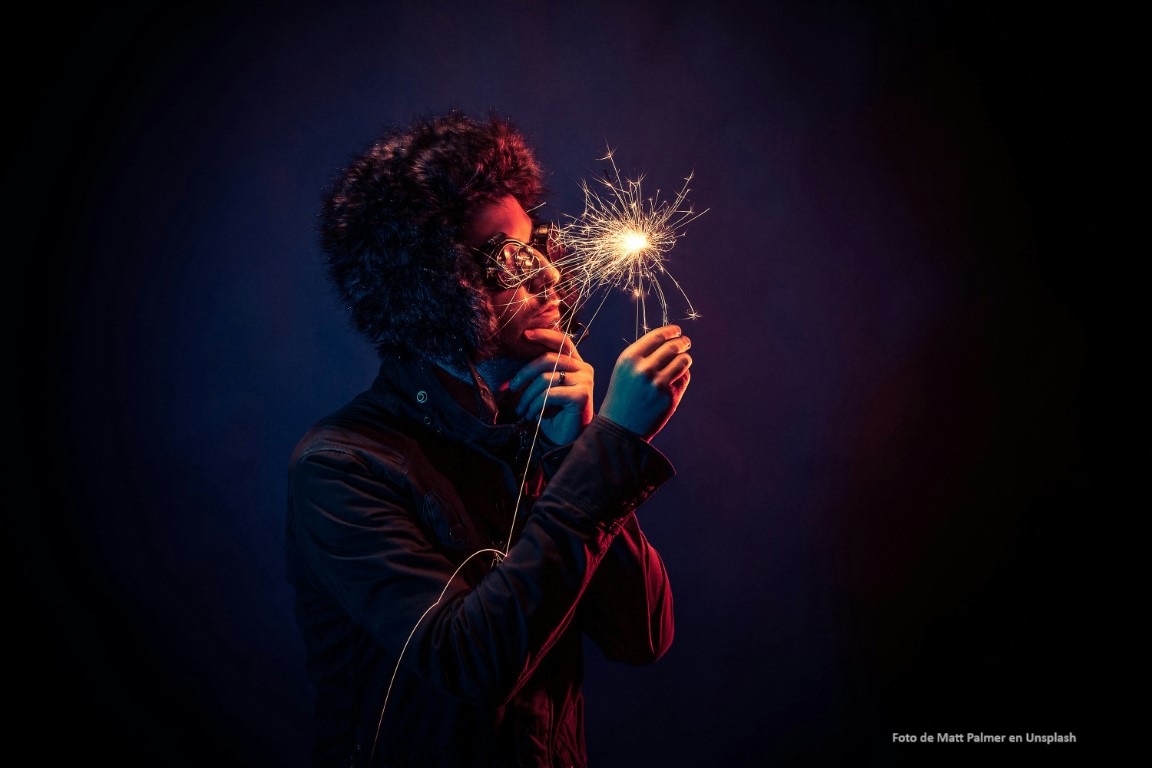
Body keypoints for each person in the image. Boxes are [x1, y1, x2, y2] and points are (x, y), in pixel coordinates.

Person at [285, 110, 694, 768]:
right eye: (506, 259)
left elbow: (641, 636)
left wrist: (575, 452)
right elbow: (471, 662)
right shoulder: (343, 466)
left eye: (537, 245)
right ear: (437, 292)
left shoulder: (532, 430)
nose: (549, 276)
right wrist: (613, 446)